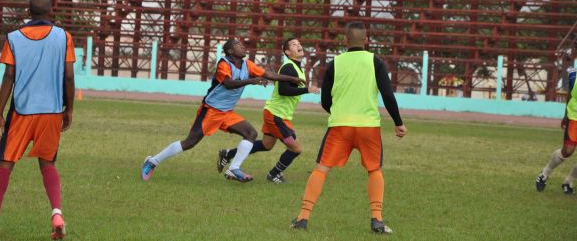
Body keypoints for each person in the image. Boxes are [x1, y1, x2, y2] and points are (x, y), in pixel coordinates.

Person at [290, 22, 407, 234]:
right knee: (374, 170)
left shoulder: (336, 63)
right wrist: (398, 123)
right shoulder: (376, 62)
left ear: (345, 41)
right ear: (366, 40)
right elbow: (388, 95)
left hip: (340, 126)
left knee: (321, 169)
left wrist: (339, 113)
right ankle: (377, 221)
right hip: (368, 127)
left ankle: (303, 218)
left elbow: (325, 99)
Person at [140, 39, 304, 182]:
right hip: (211, 110)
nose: (243, 46)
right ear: (231, 51)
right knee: (189, 143)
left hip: (227, 113)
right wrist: (252, 81)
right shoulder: (224, 64)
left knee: (251, 133)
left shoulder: (247, 64)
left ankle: (234, 169)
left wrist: (292, 79)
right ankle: (153, 161)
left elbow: (269, 74)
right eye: (238, 45)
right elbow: (228, 83)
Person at [0, 0, 75, 240]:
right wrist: (69, 110)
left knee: (5, 165)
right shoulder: (64, 37)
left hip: (22, 111)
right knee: (48, 163)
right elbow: (69, 77)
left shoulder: (14, 37)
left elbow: (8, 76)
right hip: (52, 112)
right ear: (51, 11)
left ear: (28, 11)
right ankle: (57, 213)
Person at [217, 37, 320, 183]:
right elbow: (284, 90)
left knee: (266, 145)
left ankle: (228, 154)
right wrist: (307, 90)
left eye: (299, 43)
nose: (299, 45)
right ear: (287, 52)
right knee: (296, 149)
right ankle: (274, 174)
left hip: (279, 114)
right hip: (276, 115)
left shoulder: (296, 67)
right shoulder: (288, 67)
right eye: (294, 44)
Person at [535, 67, 577, 195]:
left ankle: (569, 181)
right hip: (574, 116)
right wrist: (565, 115)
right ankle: (545, 173)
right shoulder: (573, 74)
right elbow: (570, 94)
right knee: (567, 151)